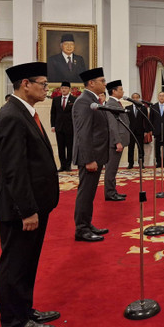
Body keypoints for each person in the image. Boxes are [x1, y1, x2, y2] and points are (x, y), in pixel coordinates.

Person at [0, 62, 61, 327]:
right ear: (25, 84)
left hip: (33, 205)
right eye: (43, 84)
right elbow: (13, 169)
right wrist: (28, 210)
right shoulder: (11, 115)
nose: (46, 88)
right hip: (20, 209)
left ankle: (24, 310)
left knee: (27, 263)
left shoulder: (25, 112)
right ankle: (14, 324)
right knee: (15, 266)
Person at [72, 67, 110, 242]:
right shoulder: (83, 101)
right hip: (90, 157)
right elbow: (83, 133)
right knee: (85, 193)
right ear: (91, 83)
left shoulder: (92, 99)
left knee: (90, 193)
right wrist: (88, 159)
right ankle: (81, 229)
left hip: (96, 155)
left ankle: (87, 224)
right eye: (102, 80)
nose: (105, 83)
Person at [103, 80, 129, 202]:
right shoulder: (111, 104)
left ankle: (113, 191)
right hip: (115, 143)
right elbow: (113, 125)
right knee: (111, 168)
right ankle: (110, 193)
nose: (123, 91)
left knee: (113, 168)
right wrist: (117, 141)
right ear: (114, 91)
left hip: (118, 141)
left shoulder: (115, 103)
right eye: (121, 89)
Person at [50, 81, 76, 172]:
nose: (63, 90)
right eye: (62, 88)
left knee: (69, 147)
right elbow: (53, 113)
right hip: (59, 127)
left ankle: (68, 165)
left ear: (69, 89)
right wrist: (53, 125)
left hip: (70, 127)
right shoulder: (56, 99)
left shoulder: (74, 99)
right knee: (60, 147)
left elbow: (76, 114)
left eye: (65, 88)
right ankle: (62, 165)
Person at [126, 92, 150, 169]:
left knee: (140, 148)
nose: (135, 99)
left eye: (137, 97)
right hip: (130, 131)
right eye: (134, 97)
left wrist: (146, 131)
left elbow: (146, 120)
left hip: (140, 131)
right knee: (130, 148)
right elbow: (126, 120)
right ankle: (130, 163)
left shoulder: (143, 108)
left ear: (139, 99)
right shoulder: (128, 108)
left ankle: (141, 163)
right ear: (131, 99)